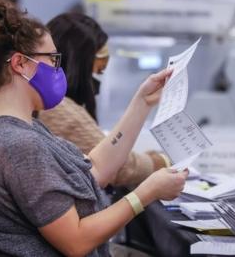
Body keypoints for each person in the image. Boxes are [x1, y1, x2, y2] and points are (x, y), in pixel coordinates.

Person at [0, 0, 187, 256]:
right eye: (53, 59)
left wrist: (141, 103)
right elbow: (76, 240)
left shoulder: (16, 128)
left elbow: (94, 169)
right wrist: (146, 193)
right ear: (20, 63)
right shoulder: (19, 145)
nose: (59, 70)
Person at [39, 13, 169, 187]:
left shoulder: (52, 104)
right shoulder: (61, 109)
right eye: (98, 68)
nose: (99, 77)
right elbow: (120, 169)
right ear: (80, 63)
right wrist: (162, 161)